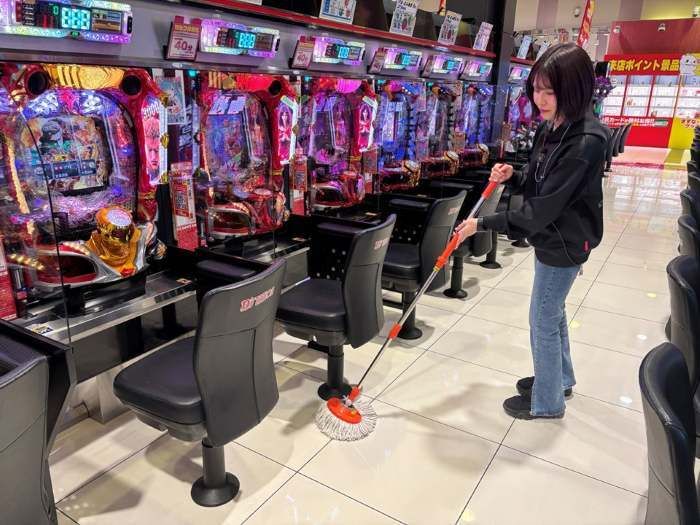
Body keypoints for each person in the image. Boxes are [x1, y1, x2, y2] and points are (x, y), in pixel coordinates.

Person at [455, 43, 610, 420]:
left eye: (549, 91)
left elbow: (541, 210)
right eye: (536, 89)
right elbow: (542, 179)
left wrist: (481, 224)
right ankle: (560, 379)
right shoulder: (553, 126)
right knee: (552, 313)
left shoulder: (585, 141)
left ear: (573, 89)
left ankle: (548, 401)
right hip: (553, 235)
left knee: (542, 318)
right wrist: (515, 175)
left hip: (564, 241)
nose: (540, 99)